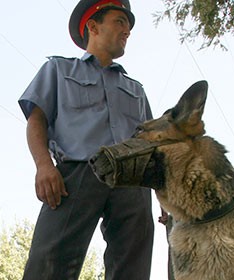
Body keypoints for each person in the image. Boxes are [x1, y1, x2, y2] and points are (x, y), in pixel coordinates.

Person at [18, 0, 154, 279]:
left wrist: (166, 203)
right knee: (49, 263)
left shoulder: (136, 90)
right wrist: (44, 165)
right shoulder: (58, 69)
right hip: (78, 173)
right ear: (93, 26)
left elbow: (152, 144)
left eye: (129, 26)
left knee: (133, 268)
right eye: (120, 22)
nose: (127, 31)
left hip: (132, 180)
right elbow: (37, 120)